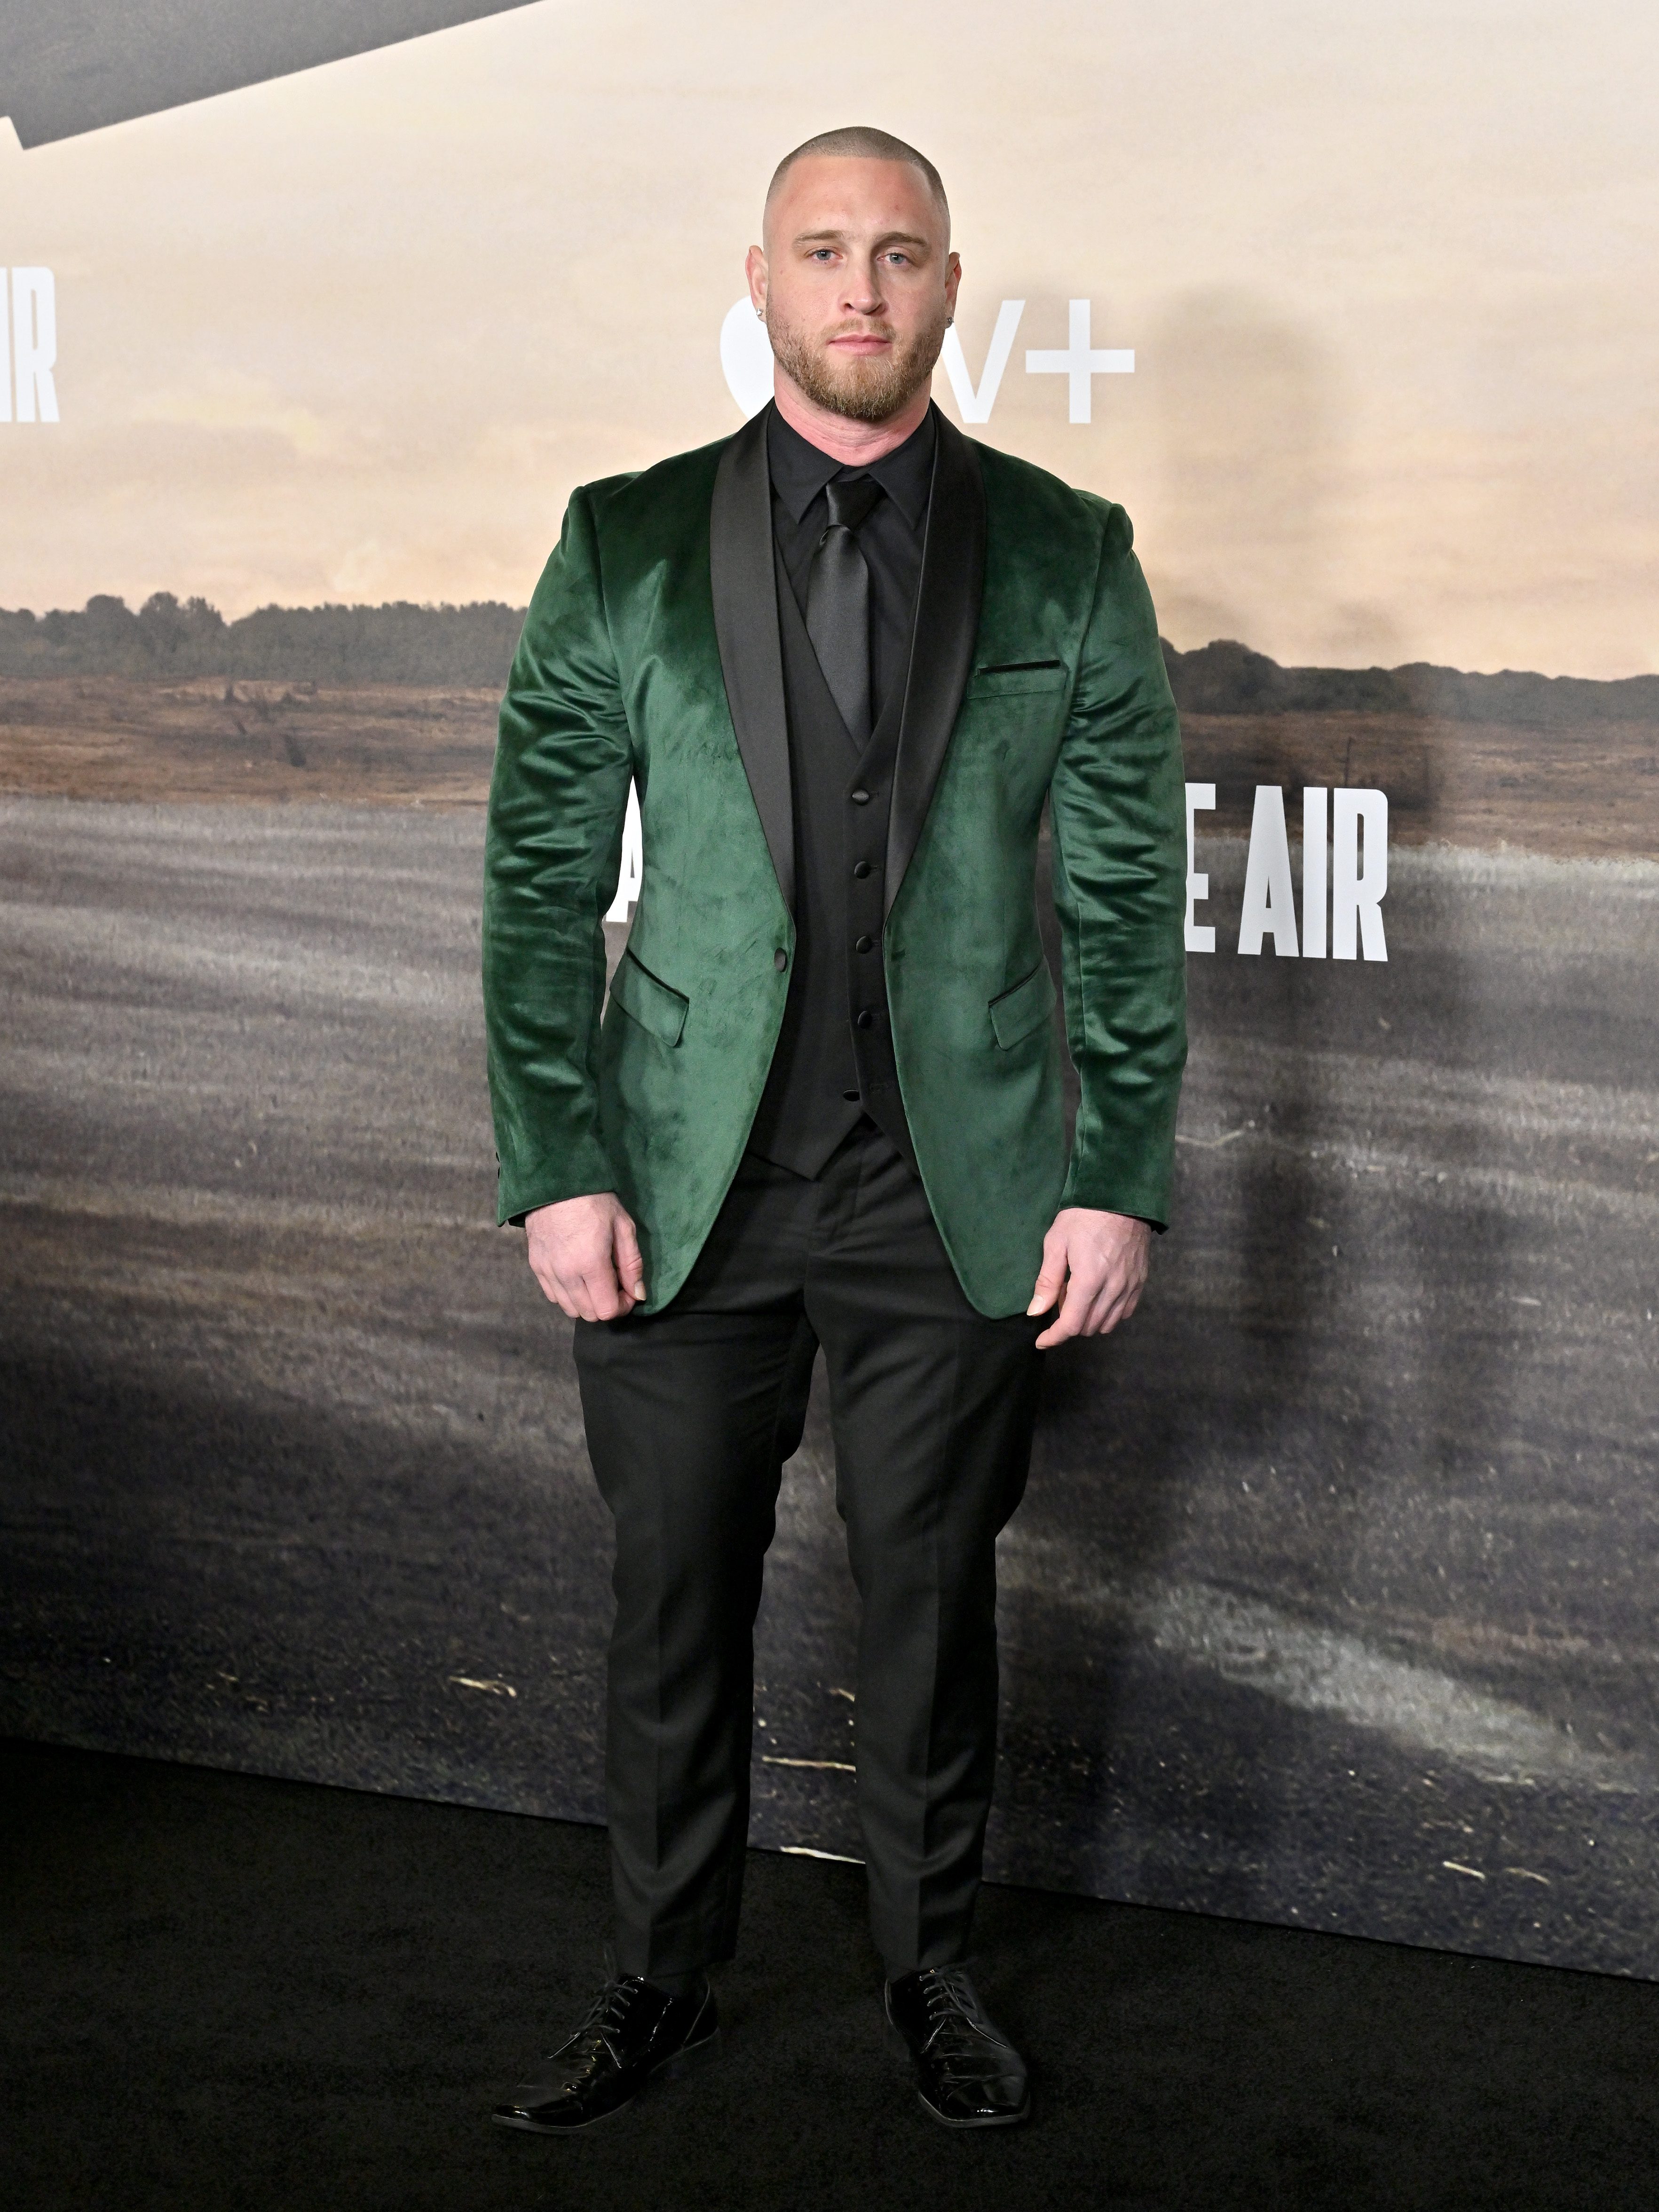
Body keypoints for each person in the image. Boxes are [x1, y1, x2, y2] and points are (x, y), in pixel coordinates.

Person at [483, 125, 1187, 2133]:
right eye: (822, 253)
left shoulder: (1070, 552)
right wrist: (557, 1161)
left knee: (929, 1609)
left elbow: (1128, 902)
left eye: (899, 254)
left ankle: (930, 1968)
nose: (861, 288)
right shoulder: (621, 542)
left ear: (954, 286)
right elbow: (538, 883)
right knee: (672, 1607)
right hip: (680, 1189)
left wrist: (1114, 1173)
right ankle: (656, 1977)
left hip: (952, 1195)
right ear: (762, 282)